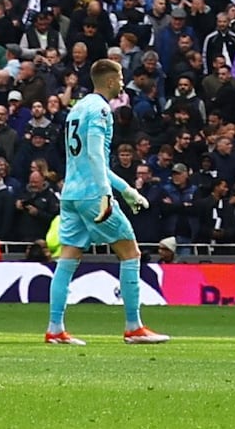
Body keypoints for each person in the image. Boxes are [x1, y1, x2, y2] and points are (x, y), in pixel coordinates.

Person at [38, 49, 162, 346]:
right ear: (109, 81)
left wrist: (127, 190)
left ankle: (55, 328)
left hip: (71, 194)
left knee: (68, 258)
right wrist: (107, 194)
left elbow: (90, 161)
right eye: (119, 77)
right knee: (130, 253)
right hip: (93, 194)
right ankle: (134, 327)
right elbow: (94, 155)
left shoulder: (77, 110)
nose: (123, 82)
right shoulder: (102, 110)